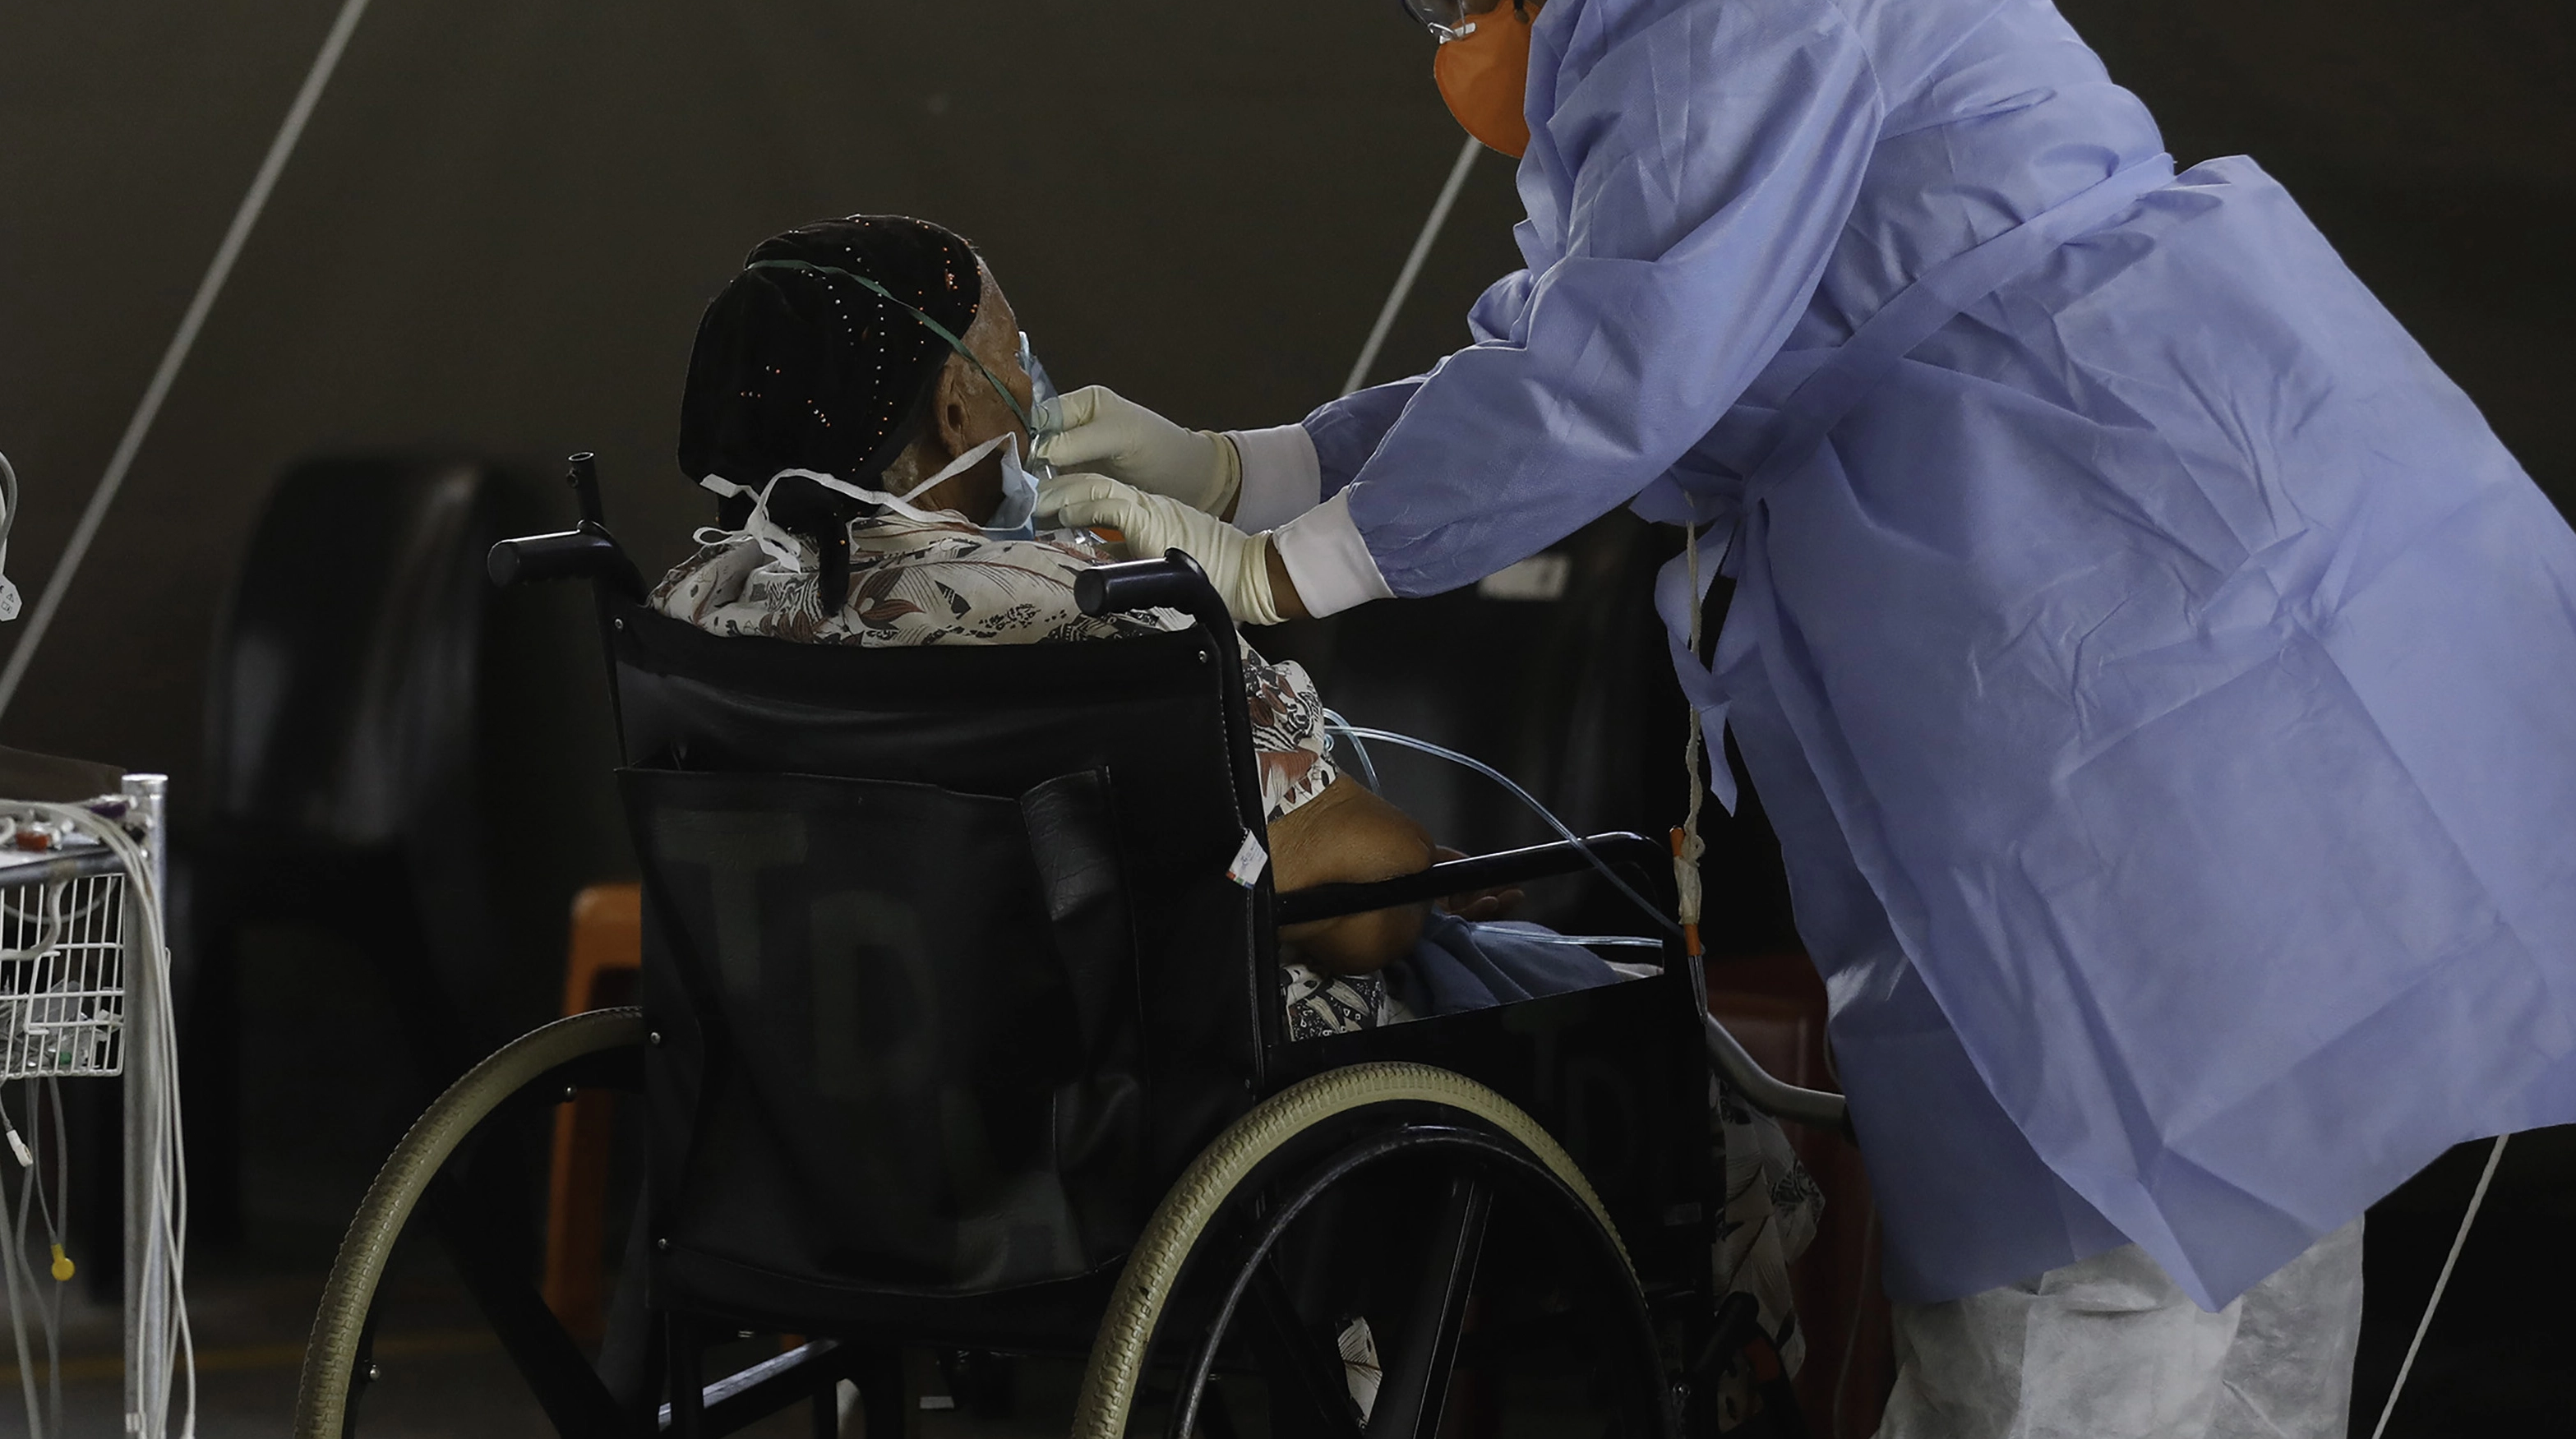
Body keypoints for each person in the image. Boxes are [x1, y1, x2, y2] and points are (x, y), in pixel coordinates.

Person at [1032, 0, 2576, 1439]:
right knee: (2237, 1192)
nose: (1455, 30)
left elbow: (1615, 370)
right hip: (2161, 564)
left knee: (2103, 1208)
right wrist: (1253, 465)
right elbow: (1566, 338)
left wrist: (1283, 568)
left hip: (2095, 591)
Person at [655, 215, 1824, 1399]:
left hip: (832, 1146)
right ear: (958, 406)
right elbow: (1359, 907)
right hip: (1135, 1152)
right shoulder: (1083, 605)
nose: (1033, 380)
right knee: (1676, 1072)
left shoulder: (696, 610)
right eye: (1013, 350)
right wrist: (1419, 869)